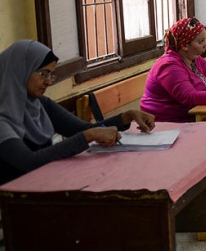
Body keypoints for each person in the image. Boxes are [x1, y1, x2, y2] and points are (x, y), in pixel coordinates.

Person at [0, 40, 156, 184]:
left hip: (43, 185)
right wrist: (88, 136)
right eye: (43, 74)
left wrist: (127, 116)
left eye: (51, 75)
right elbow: (28, 162)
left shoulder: (40, 104)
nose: (48, 82)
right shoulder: (3, 119)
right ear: (20, 70)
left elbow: (83, 129)